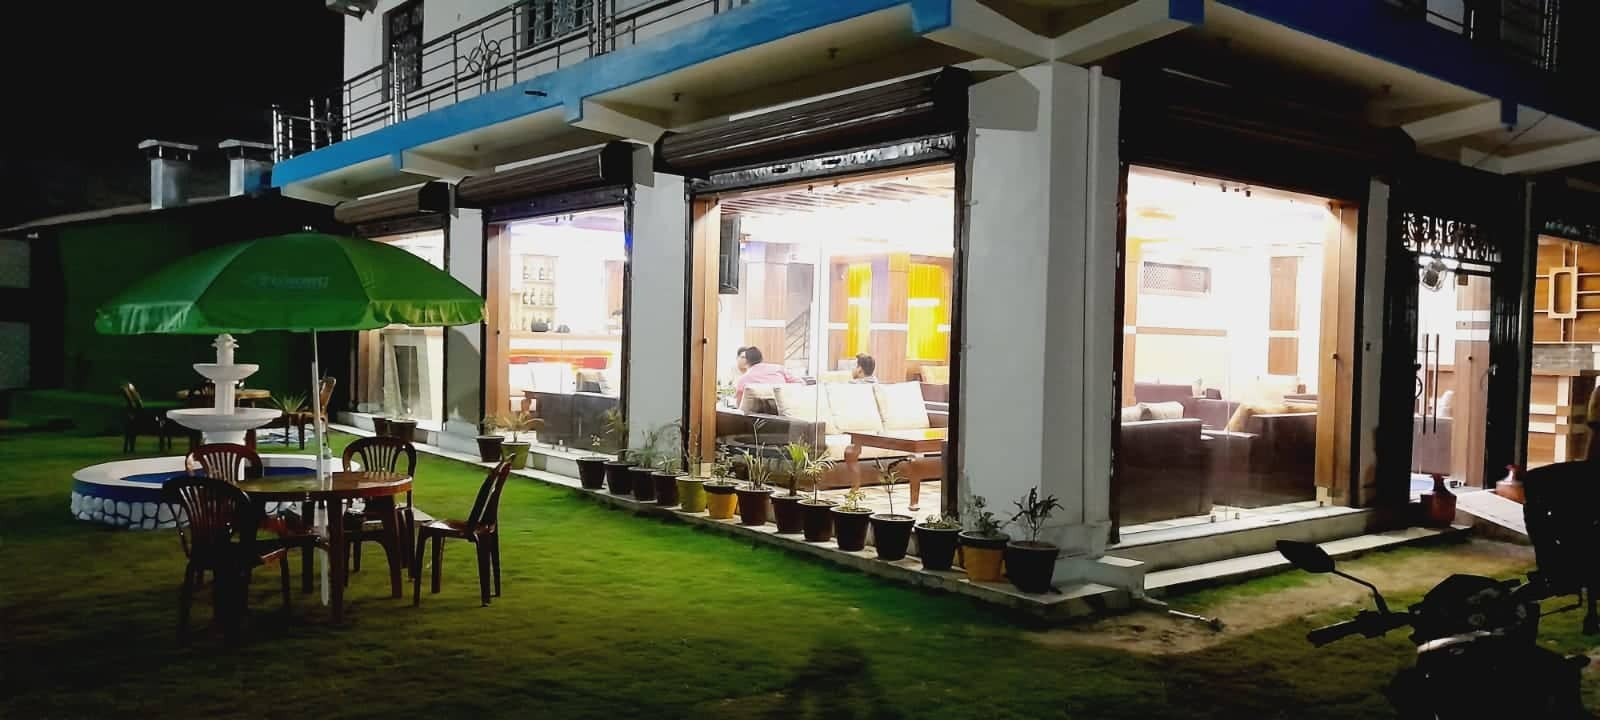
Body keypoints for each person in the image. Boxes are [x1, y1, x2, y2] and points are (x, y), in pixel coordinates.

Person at [733, 346, 800, 406]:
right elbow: (800, 383)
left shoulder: (743, 379)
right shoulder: (778, 368)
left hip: (759, 413)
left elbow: (739, 404)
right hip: (788, 408)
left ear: (747, 361)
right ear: (761, 358)